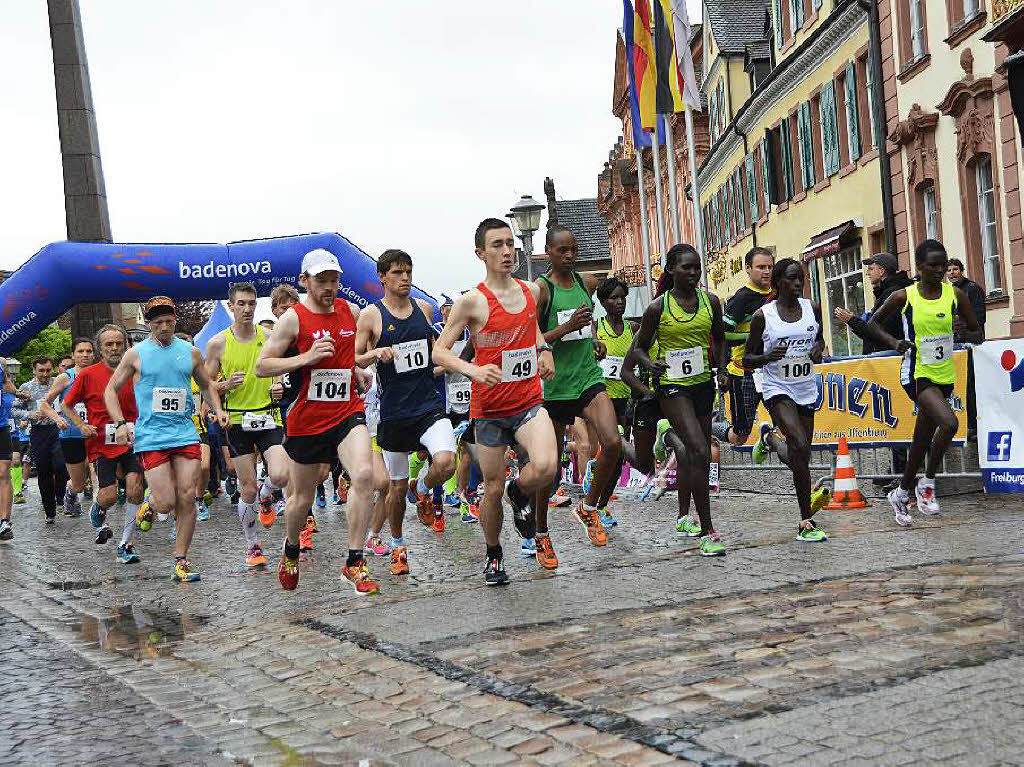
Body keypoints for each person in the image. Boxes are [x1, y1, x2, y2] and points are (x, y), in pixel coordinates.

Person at [433, 218, 557, 585]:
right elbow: (440, 353)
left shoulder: (531, 291)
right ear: (481, 253)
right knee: (491, 487)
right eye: (498, 245)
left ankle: (521, 492)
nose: (507, 251)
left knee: (547, 466)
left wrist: (544, 348)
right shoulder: (471, 302)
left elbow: (530, 326)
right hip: (488, 409)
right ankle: (494, 555)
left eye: (510, 243)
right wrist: (471, 370)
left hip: (528, 400)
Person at [256, 248, 379, 594]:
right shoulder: (292, 319)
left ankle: (355, 561)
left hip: (346, 410)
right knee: (300, 501)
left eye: (334, 280)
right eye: (321, 280)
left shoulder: (349, 311)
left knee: (365, 475)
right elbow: (262, 366)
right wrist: (306, 358)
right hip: (307, 418)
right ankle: (291, 546)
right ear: (304, 281)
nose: (329, 287)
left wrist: (354, 369)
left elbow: (340, 357)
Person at [844, 239, 982, 525]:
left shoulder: (956, 295)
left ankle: (902, 490)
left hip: (944, 374)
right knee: (950, 423)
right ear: (920, 267)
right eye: (933, 265)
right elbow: (872, 326)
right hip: (916, 373)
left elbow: (977, 333)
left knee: (921, 440)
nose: (940, 270)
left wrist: (962, 333)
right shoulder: (903, 296)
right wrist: (895, 342)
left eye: (943, 265)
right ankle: (927, 484)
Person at [104, 297, 228, 581]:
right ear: (149, 323)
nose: (164, 327)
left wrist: (218, 409)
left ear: (175, 320)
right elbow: (111, 391)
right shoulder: (136, 354)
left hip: (184, 431)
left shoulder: (191, 352)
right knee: (166, 502)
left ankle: (181, 560)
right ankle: (150, 505)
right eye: (157, 322)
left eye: (168, 321)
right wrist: (121, 423)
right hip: (152, 436)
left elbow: (207, 384)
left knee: (187, 495)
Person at [356, 249, 456, 576]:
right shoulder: (371, 316)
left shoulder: (424, 309)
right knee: (395, 489)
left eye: (408, 272)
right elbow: (353, 359)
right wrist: (375, 352)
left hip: (427, 404)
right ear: (382, 277)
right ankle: (398, 544)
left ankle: (424, 488)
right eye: (398, 273)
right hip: (395, 412)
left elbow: (435, 351)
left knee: (446, 461)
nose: (405, 278)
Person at [624, 244, 729, 556]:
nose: (694, 273)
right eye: (687, 267)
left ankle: (686, 515)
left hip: (701, 385)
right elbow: (639, 348)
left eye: (697, 267)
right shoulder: (658, 308)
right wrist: (650, 364)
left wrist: (722, 369)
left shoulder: (711, 302)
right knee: (699, 448)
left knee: (698, 453)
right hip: (672, 386)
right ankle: (708, 530)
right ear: (671, 271)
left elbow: (720, 340)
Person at [530, 224, 621, 568]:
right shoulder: (541, 290)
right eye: (561, 251)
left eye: (573, 250)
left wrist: (593, 339)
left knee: (612, 443)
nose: (569, 256)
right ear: (548, 252)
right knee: (548, 470)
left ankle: (589, 507)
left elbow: (587, 322)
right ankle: (541, 532)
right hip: (555, 387)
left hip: (587, 378)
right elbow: (532, 338)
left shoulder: (587, 283)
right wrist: (566, 329)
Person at [742, 259, 830, 541]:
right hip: (776, 387)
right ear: (778, 282)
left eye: (801, 278)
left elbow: (820, 339)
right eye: (792, 279)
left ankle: (770, 440)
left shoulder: (812, 308)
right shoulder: (763, 316)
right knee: (800, 444)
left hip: (805, 386)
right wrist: (767, 357)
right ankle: (806, 522)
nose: (798, 283)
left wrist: (818, 348)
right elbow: (746, 359)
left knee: (800, 454)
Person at [205, 282, 290, 569]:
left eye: (251, 303)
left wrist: (278, 385)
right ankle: (253, 546)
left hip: (268, 415)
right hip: (238, 420)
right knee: (248, 489)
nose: (247, 309)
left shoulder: (268, 337)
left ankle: (268, 498)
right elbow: (207, 385)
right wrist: (222, 396)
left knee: (280, 475)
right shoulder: (217, 342)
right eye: (241, 303)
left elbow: (278, 370)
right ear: (231, 307)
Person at [62, 324, 147, 559]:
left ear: (126, 346)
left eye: (119, 343)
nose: (115, 348)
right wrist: (80, 425)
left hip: (132, 440)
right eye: (109, 344)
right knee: (109, 495)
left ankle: (126, 544)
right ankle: (98, 508)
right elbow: (66, 404)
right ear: (100, 348)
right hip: (101, 443)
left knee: (135, 487)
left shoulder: (136, 371)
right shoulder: (88, 375)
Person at [711, 247, 774, 450]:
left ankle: (766, 441)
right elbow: (722, 335)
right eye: (760, 267)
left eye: (770, 267)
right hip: (743, 372)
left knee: (787, 420)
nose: (766, 272)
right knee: (740, 435)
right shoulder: (741, 298)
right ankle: (708, 427)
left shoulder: (778, 293)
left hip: (772, 370)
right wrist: (753, 336)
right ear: (748, 269)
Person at [39, 339, 96, 518]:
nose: (85, 355)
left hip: (96, 433)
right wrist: (57, 419)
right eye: (80, 351)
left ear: (94, 354)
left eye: (89, 351)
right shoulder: (66, 377)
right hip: (71, 434)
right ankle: (70, 493)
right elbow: (44, 404)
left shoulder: (99, 373)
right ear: (73, 355)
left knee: (96, 472)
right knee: (78, 484)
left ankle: (99, 512)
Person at [13, 357, 69, 524]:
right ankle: (49, 509)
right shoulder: (26, 387)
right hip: (39, 432)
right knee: (43, 470)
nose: (45, 374)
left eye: (48, 370)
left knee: (60, 465)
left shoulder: (59, 383)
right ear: (34, 371)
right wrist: (30, 415)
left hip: (59, 429)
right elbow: (14, 410)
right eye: (41, 371)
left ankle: (61, 498)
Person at [947, 257, 985, 439]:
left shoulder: (972, 289)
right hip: (952, 346)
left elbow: (979, 319)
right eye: (948, 270)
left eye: (955, 269)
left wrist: (965, 329)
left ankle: (974, 425)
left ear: (961, 271)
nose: (951, 273)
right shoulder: (946, 292)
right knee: (956, 385)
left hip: (970, 344)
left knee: (971, 386)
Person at [595, 276, 636, 437]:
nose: (620, 302)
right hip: (604, 395)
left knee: (624, 439)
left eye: (623, 297)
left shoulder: (633, 328)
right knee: (610, 441)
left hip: (627, 396)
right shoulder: (596, 327)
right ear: (603, 302)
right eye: (614, 298)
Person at [0, 360, 26, 541]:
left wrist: (18, 393)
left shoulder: (0, 369)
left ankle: (5, 521)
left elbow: (6, 384)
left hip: (1, 427)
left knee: (3, 472)